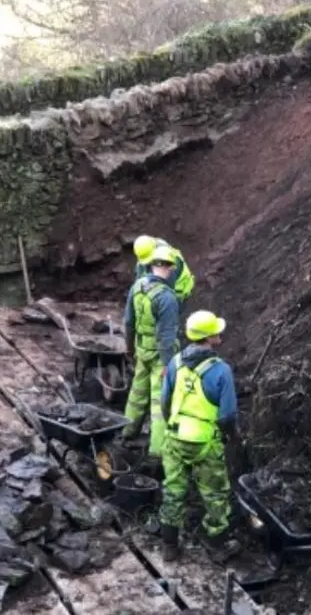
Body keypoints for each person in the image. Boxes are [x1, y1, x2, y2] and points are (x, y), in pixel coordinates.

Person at [159, 310, 241, 563]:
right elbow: (227, 415)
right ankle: (216, 544)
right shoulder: (221, 371)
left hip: (174, 437)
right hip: (205, 442)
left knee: (173, 488)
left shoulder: (174, 362)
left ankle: (169, 546)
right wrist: (232, 438)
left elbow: (165, 402)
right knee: (215, 493)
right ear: (211, 337)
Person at [122, 245, 180, 461]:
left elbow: (128, 322)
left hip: (141, 351)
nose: (173, 270)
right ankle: (156, 452)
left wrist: (129, 349)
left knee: (137, 394)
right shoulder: (167, 298)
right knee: (159, 403)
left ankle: (127, 432)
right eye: (171, 266)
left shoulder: (138, 286)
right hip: (158, 357)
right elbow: (166, 337)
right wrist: (167, 366)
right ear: (167, 267)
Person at [133, 235, 195, 303]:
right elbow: (140, 277)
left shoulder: (169, 264)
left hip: (179, 292)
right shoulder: (149, 247)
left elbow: (167, 292)